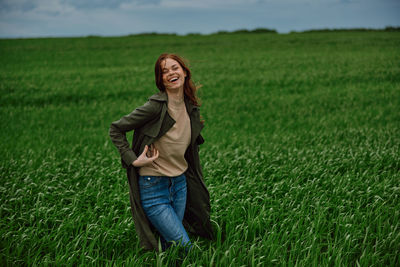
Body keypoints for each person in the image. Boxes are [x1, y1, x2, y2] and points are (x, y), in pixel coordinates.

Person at [109, 53, 214, 252]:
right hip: (154, 187)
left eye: (174, 68)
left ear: (184, 72)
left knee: (169, 247)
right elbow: (116, 129)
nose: (170, 73)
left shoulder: (190, 106)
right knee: (184, 247)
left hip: (179, 184)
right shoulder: (155, 107)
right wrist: (133, 160)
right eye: (164, 71)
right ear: (161, 80)